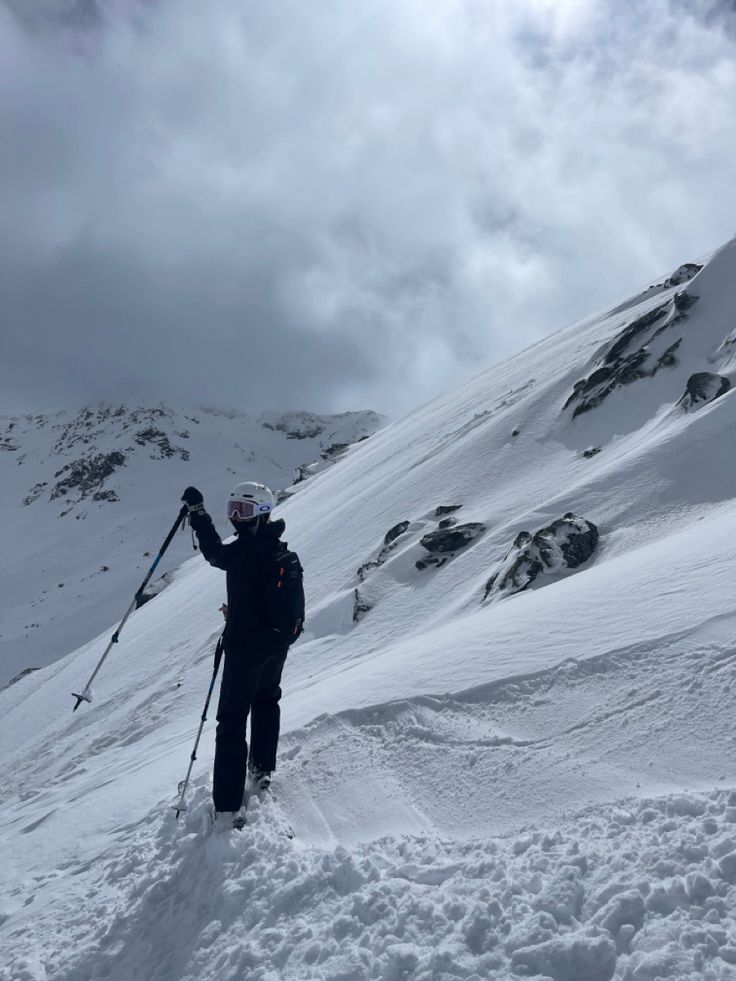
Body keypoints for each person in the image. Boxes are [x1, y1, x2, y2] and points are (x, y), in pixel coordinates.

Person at [181, 481, 304, 829]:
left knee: (231, 722)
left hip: (245, 649)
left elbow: (214, 554)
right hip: (275, 647)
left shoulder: (242, 552)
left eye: (245, 510)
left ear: (263, 513)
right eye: (233, 508)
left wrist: (199, 515)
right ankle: (261, 770)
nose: (237, 517)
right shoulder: (279, 551)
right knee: (267, 701)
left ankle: (227, 805)